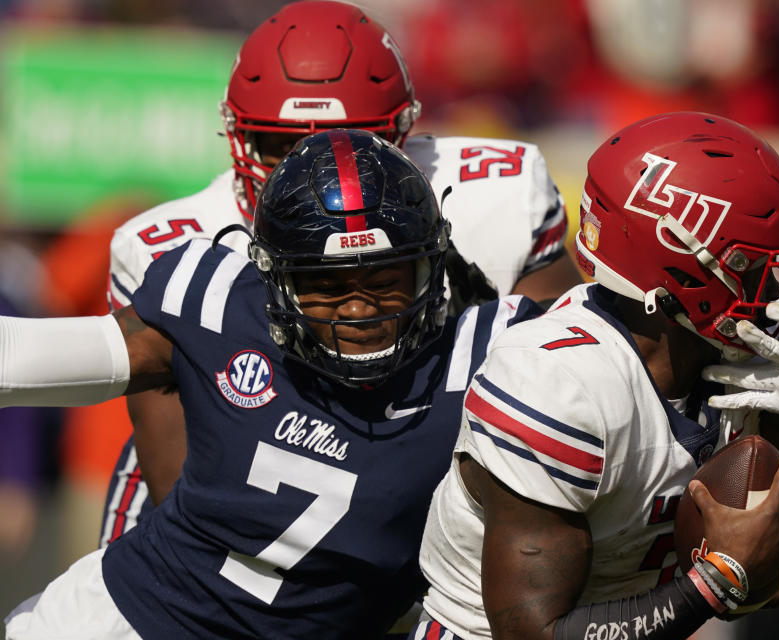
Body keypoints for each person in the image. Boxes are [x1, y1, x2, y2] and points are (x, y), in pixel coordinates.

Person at [410, 112, 779, 640]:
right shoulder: (560, 381)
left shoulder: (715, 366)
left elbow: (667, 589)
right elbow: (536, 631)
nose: (777, 291)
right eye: (750, 267)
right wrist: (720, 579)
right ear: (679, 267)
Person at [3, 129, 548, 639]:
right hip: (129, 621)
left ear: (431, 272)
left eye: (385, 281)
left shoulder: (485, 355)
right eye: (327, 287)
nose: (358, 309)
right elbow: (32, 356)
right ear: (275, 281)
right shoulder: (218, 307)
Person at [100, 0, 582, 546]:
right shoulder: (165, 249)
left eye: (354, 139)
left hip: (439, 500)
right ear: (240, 137)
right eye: (282, 145)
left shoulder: (499, 196)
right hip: (230, 512)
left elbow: (575, 382)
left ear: (405, 131)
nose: (313, 165)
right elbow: (177, 474)